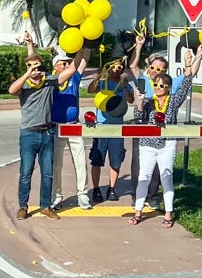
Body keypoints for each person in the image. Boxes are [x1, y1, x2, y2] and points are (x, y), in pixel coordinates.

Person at [124, 41, 202, 227]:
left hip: (167, 144)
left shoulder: (174, 100)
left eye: (162, 86)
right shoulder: (148, 99)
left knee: (166, 177)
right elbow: (139, 117)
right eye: (156, 85)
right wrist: (139, 102)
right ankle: (138, 212)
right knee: (143, 177)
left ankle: (168, 214)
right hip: (147, 144)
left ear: (169, 87)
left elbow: (187, 80)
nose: (158, 87)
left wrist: (196, 57)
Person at [32, 32, 92, 210]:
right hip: (56, 127)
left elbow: (83, 59)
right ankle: (56, 195)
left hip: (73, 125)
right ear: (55, 67)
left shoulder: (74, 77)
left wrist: (83, 43)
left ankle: (83, 194)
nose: (67, 65)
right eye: (63, 63)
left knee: (80, 161)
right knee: (56, 163)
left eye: (68, 62)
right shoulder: (51, 81)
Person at [8, 42, 56, 219]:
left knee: (47, 173)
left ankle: (45, 206)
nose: (34, 69)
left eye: (37, 66)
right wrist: (28, 71)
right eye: (30, 66)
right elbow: (12, 90)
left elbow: (70, 71)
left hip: (48, 133)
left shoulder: (49, 81)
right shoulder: (24, 85)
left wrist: (83, 53)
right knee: (26, 172)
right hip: (28, 133)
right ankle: (23, 207)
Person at [87, 47, 138, 202]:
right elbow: (90, 90)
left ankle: (112, 188)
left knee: (116, 160)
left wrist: (125, 85)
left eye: (119, 68)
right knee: (97, 159)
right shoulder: (103, 83)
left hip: (117, 128)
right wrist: (98, 76)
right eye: (113, 67)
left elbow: (131, 100)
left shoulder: (125, 85)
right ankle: (96, 189)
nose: (116, 70)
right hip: (101, 127)